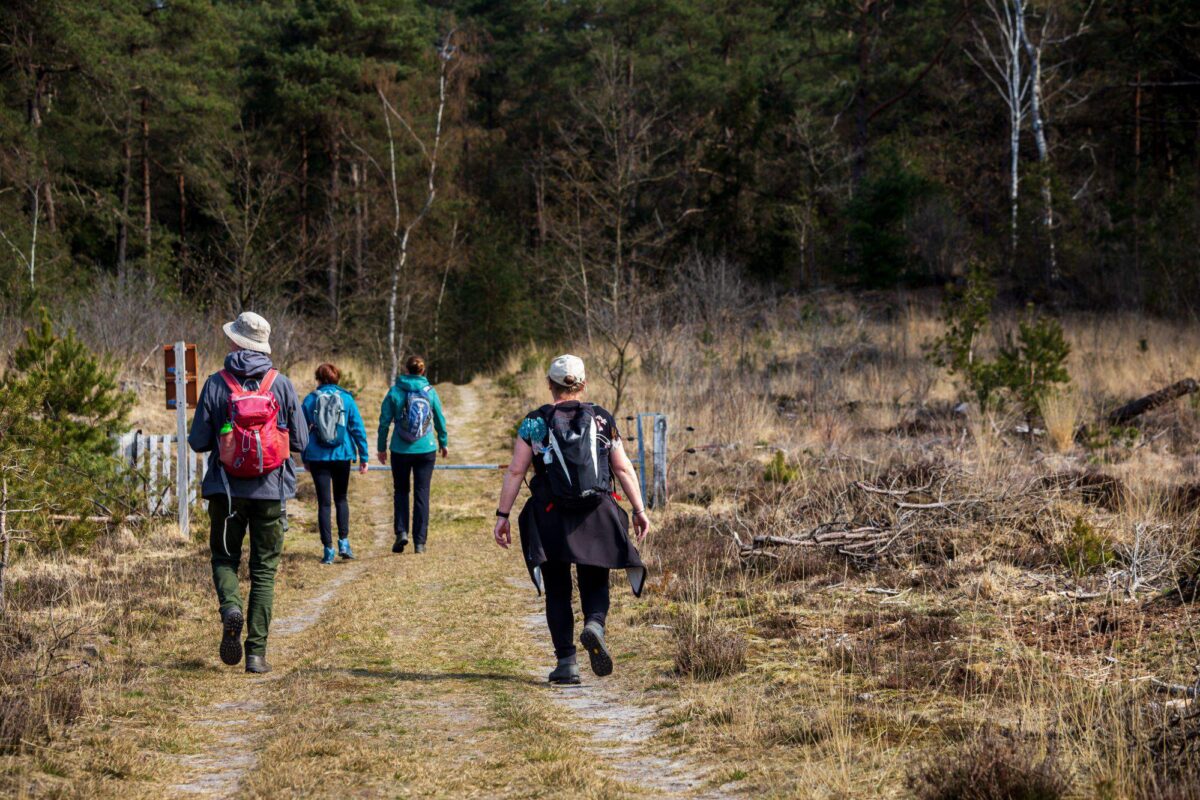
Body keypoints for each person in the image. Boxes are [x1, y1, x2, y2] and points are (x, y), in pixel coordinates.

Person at [493, 354, 650, 685]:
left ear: (549, 384)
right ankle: (594, 624)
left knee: (558, 589)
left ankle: (567, 663)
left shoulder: (535, 422)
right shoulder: (603, 419)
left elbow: (516, 470)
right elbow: (621, 468)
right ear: (583, 384)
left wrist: (503, 515)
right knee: (595, 581)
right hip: (596, 512)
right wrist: (639, 509)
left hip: (550, 516)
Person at [188, 311, 306, 675]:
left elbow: (197, 442)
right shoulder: (281, 384)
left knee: (224, 559)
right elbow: (300, 441)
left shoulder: (215, 383)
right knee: (264, 571)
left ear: (235, 342)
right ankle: (255, 654)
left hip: (225, 492)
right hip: (271, 493)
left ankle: (230, 610)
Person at [377, 355, 448, 554]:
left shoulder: (395, 391)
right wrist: (443, 442)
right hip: (426, 449)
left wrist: (381, 447)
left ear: (406, 370)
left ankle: (401, 532)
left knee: (400, 491)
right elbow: (440, 419)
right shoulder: (430, 392)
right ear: (423, 372)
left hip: (400, 449)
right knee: (422, 493)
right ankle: (420, 542)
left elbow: (384, 422)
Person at [301, 363, 370, 564]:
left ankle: (328, 550)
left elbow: (302, 431)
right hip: (342, 455)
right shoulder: (347, 399)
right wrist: (363, 456)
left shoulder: (310, 400)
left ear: (318, 379)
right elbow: (357, 428)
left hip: (318, 457)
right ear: (337, 378)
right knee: (341, 499)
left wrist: (305, 456)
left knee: (323, 502)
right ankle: (344, 543)